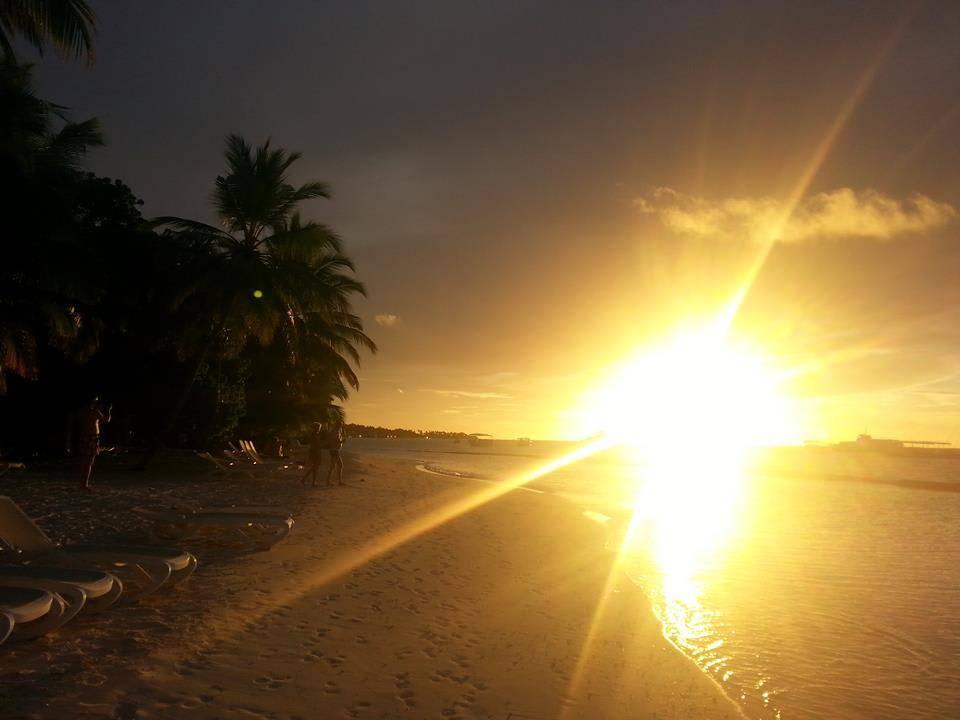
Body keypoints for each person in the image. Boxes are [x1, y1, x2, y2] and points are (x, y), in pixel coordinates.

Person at [77, 396, 111, 491]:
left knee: (85, 461)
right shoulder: (94, 412)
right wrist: (108, 410)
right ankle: (84, 485)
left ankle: (82, 483)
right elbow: (106, 420)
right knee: (89, 462)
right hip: (91, 438)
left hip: (84, 437)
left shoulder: (82, 411)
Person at [301, 423, 324, 488]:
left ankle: (307, 480)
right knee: (315, 467)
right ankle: (311, 481)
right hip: (315, 452)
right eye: (319, 427)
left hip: (315, 451)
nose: (319, 429)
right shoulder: (314, 435)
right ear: (316, 428)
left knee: (315, 467)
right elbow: (315, 444)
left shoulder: (314, 434)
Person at [323, 420, 345, 486]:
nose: (340, 426)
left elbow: (332, 440)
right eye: (340, 425)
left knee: (334, 466)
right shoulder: (335, 432)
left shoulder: (336, 431)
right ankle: (332, 481)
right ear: (337, 425)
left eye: (341, 425)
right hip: (334, 450)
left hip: (334, 449)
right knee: (338, 465)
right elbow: (335, 441)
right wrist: (342, 441)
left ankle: (332, 481)